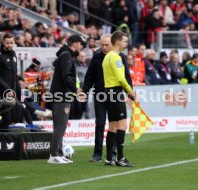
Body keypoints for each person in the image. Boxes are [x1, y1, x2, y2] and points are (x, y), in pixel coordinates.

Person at [83, 34, 133, 162]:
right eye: (102, 45)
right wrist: (85, 91)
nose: (104, 47)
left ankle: (112, 153)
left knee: (114, 124)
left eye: (106, 45)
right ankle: (98, 153)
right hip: (101, 94)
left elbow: (127, 75)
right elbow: (90, 76)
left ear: (112, 43)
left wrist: (129, 92)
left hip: (112, 93)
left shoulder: (120, 56)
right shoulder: (98, 56)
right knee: (101, 123)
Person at [47, 34, 86, 164]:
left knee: (60, 125)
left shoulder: (65, 55)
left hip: (62, 94)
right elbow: (66, 76)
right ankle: (54, 155)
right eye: (81, 44)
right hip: (62, 95)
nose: (81, 47)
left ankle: (58, 153)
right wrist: (76, 90)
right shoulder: (66, 56)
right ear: (74, 43)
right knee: (60, 126)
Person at [102, 31, 135, 167]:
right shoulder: (116, 57)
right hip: (115, 92)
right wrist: (129, 91)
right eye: (124, 41)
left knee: (113, 126)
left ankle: (110, 159)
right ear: (117, 42)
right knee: (122, 125)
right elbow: (121, 78)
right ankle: (120, 158)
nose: (125, 44)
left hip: (108, 91)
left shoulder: (107, 57)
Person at [0, 33, 24, 129]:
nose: (9, 45)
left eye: (11, 43)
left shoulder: (14, 55)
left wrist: (19, 92)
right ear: (3, 43)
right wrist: (7, 89)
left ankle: (13, 138)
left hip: (12, 92)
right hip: (2, 92)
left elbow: (15, 76)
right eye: (7, 43)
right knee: (7, 118)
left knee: (18, 110)